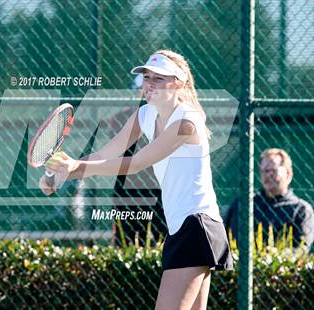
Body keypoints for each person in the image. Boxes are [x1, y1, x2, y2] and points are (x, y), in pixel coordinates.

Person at [39, 50, 233, 309]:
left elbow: (135, 163)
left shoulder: (187, 121)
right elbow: (104, 154)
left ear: (178, 82)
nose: (149, 84)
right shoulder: (144, 115)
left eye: (158, 78)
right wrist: (63, 173)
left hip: (197, 225)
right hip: (183, 227)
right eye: (147, 77)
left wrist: (76, 166)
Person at [225, 148, 314, 252]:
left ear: (288, 174)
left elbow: (301, 249)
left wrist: (274, 255)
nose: (269, 175)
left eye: (274, 170)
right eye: (265, 170)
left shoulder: (301, 209)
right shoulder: (243, 203)